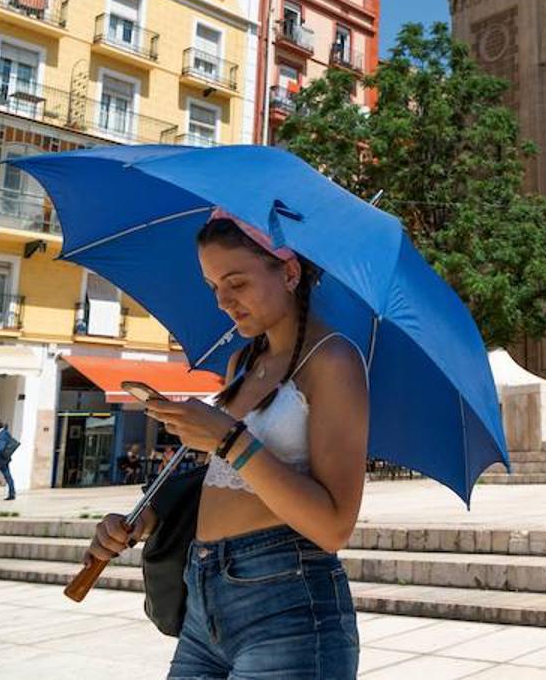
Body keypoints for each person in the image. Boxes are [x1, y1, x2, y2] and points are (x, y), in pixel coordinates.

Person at [87, 210, 369, 679]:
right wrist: (151, 514)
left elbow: (334, 526)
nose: (223, 300)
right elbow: (229, 480)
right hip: (203, 600)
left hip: (289, 607)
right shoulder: (242, 360)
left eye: (236, 283)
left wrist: (226, 438)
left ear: (290, 272)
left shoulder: (334, 360)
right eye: (213, 285)